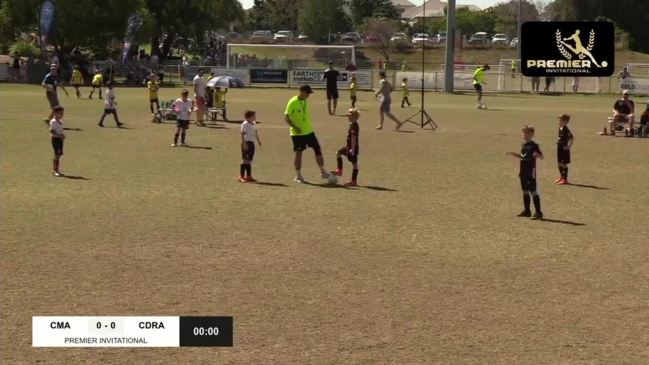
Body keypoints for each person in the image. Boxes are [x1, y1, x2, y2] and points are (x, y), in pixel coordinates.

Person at [284, 85, 333, 183]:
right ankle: (298, 175)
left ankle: (323, 172)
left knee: (317, 149)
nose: (308, 95)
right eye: (307, 93)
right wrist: (294, 127)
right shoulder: (292, 102)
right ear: (301, 91)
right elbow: (286, 117)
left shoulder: (306, 101)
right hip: (297, 134)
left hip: (309, 131)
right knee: (299, 153)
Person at [507, 125, 544, 220]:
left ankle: (538, 212)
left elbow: (541, 157)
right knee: (524, 190)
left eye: (527, 133)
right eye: (523, 133)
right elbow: (523, 156)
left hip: (530, 172)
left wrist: (537, 154)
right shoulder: (524, 145)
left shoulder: (534, 145)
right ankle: (527, 211)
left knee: (533, 191)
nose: (524, 135)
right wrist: (515, 154)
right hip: (523, 171)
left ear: (532, 134)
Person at [332, 108, 360, 187]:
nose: (348, 117)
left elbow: (354, 138)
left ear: (354, 117)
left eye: (349, 116)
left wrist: (352, 149)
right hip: (348, 146)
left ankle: (353, 181)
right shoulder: (352, 124)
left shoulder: (354, 126)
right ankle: (339, 170)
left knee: (354, 164)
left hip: (352, 148)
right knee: (338, 153)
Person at [239, 110, 262, 183]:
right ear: (248, 117)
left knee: (249, 160)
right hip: (246, 143)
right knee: (245, 160)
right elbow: (242, 134)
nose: (255, 117)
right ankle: (241, 176)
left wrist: (258, 141)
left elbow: (255, 133)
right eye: (253, 116)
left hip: (252, 143)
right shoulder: (245, 124)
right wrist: (244, 143)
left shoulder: (254, 123)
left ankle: (248, 176)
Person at [555, 114, 574, 185]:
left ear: (565, 122)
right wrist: (558, 141)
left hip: (564, 150)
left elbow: (572, 138)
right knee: (559, 163)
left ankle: (565, 179)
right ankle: (561, 177)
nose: (559, 122)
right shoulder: (560, 128)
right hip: (559, 148)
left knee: (564, 164)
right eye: (559, 120)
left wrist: (569, 146)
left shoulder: (566, 129)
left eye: (561, 120)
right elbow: (560, 138)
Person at [49, 106, 66, 177]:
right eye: (60, 113)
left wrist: (62, 135)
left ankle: (57, 170)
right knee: (56, 155)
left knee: (58, 155)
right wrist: (60, 136)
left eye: (62, 113)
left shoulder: (60, 122)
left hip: (60, 140)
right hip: (55, 140)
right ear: (55, 113)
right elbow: (52, 132)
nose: (61, 115)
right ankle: (55, 170)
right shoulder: (53, 122)